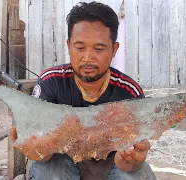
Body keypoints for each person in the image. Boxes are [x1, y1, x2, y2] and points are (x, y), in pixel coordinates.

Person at [12, 1, 156, 180]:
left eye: (99, 48)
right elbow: (43, 156)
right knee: (50, 170)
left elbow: (129, 159)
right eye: (80, 48)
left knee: (139, 174)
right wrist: (36, 146)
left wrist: (130, 161)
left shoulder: (129, 93)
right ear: (69, 45)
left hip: (109, 166)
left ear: (114, 50)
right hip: (63, 161)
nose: (87, 57)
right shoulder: (51, 82)